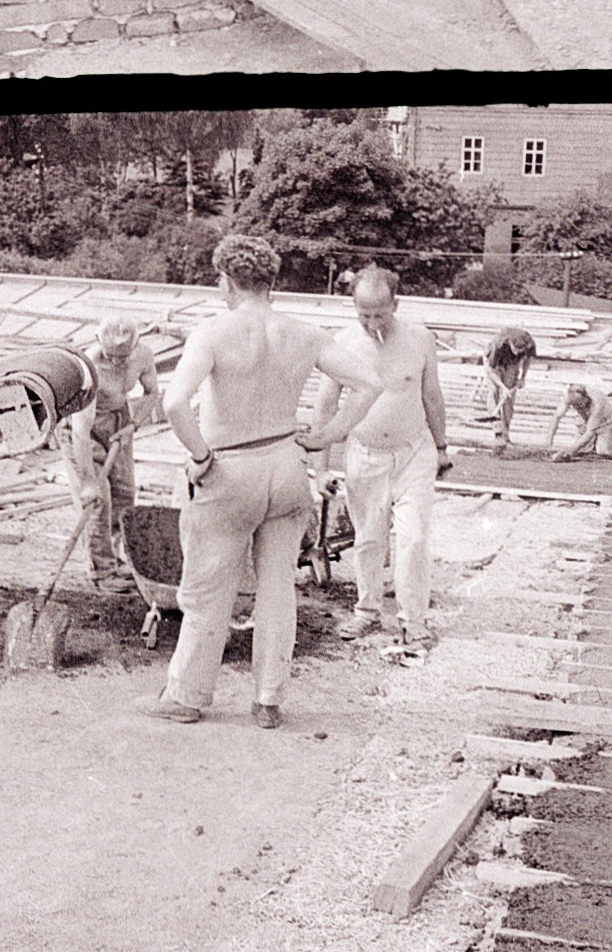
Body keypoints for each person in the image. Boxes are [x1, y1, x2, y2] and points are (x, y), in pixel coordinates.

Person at [136, 234, 386, 728]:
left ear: (227, 281)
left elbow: (171, 404)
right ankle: (268, 698)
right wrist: (326, 437)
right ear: (270, 282)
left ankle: (186, 695)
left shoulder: (213, 331)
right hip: (285, 465)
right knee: (277, 589)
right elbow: (370, 384)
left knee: (209, 588)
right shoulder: (304, 332)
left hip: (230, 469)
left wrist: (200, 455)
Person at [306, 265, 452, 651]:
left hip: (413, 453)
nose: (372, 322)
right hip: (365, 455)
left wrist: (441, 448)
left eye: (380, 313)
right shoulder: (342, 345)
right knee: (369, 540)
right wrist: (320, 470)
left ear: (396, 304)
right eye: (363, 314)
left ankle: (413, 621)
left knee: (414, 537)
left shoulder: (420, 339)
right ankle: (367, 611)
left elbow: (432, 396)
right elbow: (325, 408)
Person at [63, 316, 163, 591]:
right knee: (98, 499)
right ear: (99, 343)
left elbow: (152, 393)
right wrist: (86, 482)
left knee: (124, 493)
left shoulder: (143, 355)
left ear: (136, 344)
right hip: (83, 429)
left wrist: (132, 425)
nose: (118, 363)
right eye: (112, 356)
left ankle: (116, 559)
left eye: (124, 356)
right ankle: (102, 571)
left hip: (119, 422)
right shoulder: (88, 369)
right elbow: (80, 433)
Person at [482, 328, 537, 449]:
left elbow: (528, 359)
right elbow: (490, 370)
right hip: (495, 365)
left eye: (520, 350)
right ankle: (498, 433)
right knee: (494, 392)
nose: (517, 352)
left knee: (508, 400)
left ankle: (506, 436)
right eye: (515, 349)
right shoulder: (498, 345)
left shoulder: (530, 344)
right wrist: (502, 386)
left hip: (512, 365)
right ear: (510, 343)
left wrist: (523, 377)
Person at [543, 383, 612, 460]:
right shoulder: (568, 397)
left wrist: (570, 451)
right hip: (585, 419)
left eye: (581, 403)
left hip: (607, 421)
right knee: (581, 451)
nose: (580, 406)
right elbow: (557, 416)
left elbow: (590, 433)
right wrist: (549, 439)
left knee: (603, 453)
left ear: (586, 397)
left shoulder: (597, 404)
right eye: (576, 405)